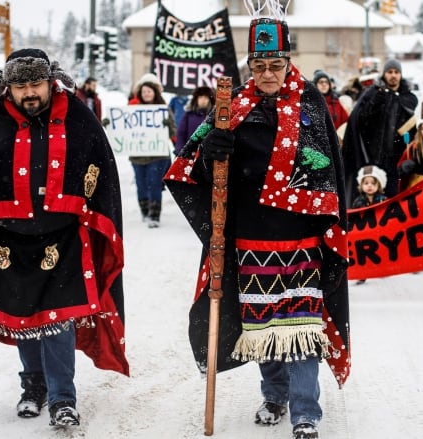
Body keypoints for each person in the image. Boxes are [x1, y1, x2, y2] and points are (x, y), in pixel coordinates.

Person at [164, 4, 351, 438]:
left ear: (288, 63)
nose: (269, 73)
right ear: (251, 66)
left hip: (301, 238)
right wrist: (213, 152)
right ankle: (274, 394)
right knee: (262, 328)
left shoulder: (310, 105)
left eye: (276, 64)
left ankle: (306, 411)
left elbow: (328, 175)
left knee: (302, 332)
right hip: (249, 238)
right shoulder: (231, 106)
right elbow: (189, 169)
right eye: (261, 65)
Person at [0, 48, 129, 429]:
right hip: (6, 241)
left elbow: (100, 169)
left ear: (50, 81)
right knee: (21, 318)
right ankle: (33, 387)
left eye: (35, 84)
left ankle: (62, 399)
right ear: (9, 87)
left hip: (63, 239)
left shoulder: (78, 116)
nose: (29, 93)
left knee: (58, 321)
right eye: (20, 86)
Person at [341, 58, 418, 202]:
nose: (393, 75)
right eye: (390, 72)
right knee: (372, 197)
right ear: (384, 74)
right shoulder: (373, 92)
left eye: (396, 72)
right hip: (373, 156)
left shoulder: (409, 98)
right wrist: (378, 99)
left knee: (394, 196)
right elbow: (360, 119)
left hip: (397, 157)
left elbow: (412, 127)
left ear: (401, 75)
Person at [128, 77, 174, 228]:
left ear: (154, 92)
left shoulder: (163, 109)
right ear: (140, 94)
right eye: (144, 91)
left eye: (149, 91)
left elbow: (173, 131)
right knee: (141, 184)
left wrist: (167, 126)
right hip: (138, 156)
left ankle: (155, 214)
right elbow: (123, 130)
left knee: (154, 184)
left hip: (157, 156)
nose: (147, 94)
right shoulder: (132, 110)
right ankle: (145, 211)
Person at [175, 85, 213, 156]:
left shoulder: (214, 116)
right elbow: (181, 134)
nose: (203, 100)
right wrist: (180, 152)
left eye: (205, 97)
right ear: (196, 99)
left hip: (209, 155)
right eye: (200, 97)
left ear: (209, 100)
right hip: (190, 154)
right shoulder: (188, 115)